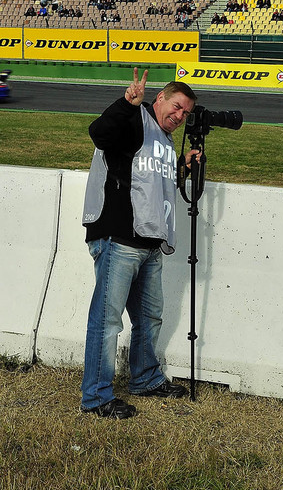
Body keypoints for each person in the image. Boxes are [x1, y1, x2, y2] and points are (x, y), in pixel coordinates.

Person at [80, 69, 199, 419]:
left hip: (149, 241)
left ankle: (145, 378)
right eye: (176, 107)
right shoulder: (134, 120)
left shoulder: (162, 139)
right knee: (107, 321)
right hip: (118, 237)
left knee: (149, 317)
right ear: (159, 99)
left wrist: (183, 167)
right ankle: (97, 396)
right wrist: (126, 103)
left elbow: (148, 179)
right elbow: (99, 134)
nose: (179, 117)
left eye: (185, 114)